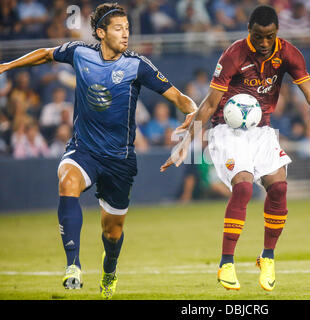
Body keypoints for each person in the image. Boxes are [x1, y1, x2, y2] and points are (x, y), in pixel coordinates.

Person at [160, 5, 310, 292]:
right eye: (258, 36)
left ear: (277, 32)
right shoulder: (233, 54)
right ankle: (227, 263)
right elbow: (208, 103)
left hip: (263, 131)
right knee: (243, 188)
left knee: (280, 189)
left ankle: (267, 257)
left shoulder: (289, 53)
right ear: (249, 31)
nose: (264, 42)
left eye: (269, 36)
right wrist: (185, 145)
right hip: (226, 131)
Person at [0, 2, 197, 299]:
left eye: (128, 28)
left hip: (119, 160)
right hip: (84, 150)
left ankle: (110, 271)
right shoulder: (80, 52)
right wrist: (7, 65)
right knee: (67, 181)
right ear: (101, 33)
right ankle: (73, 267)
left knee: (112, 233)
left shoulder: (137, 65)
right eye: (119, 29)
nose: (126, 34)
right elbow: (44, 54)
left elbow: (178, 97)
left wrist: (192, 111)